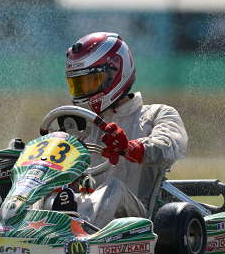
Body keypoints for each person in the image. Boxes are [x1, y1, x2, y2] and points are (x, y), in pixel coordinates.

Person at [64, 32, 188, 228]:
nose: (86, 90)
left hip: (137, 219)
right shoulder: (81, 127)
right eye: (80, 84)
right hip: (84, 211)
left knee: (111, 188)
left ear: (116, 72)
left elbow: (169, 147)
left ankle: (78, 236)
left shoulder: (158, 114)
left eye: (92, 81)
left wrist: (129, 148)